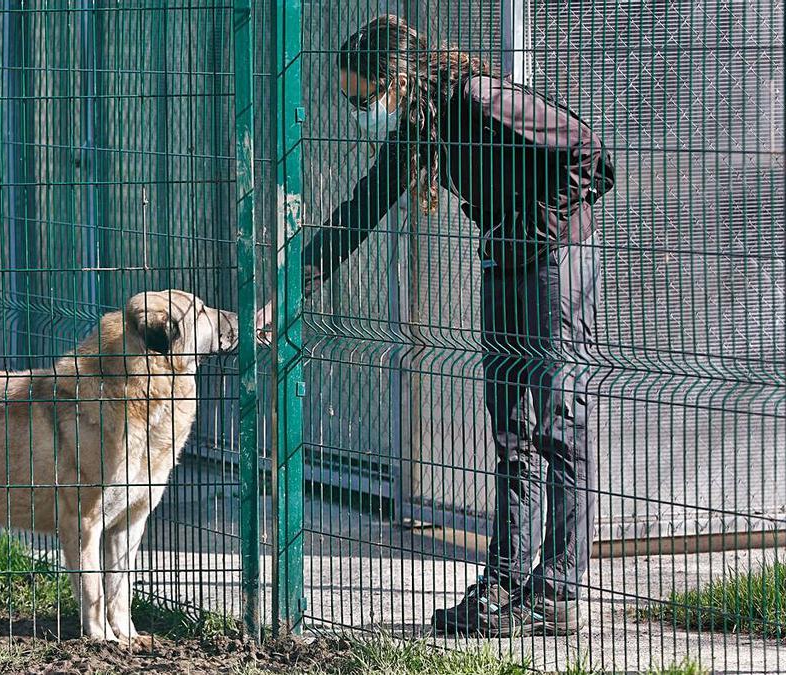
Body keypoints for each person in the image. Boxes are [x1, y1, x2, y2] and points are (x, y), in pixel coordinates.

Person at [254, 14, 615, 637]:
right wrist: (288, 293)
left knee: (560, 425)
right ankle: (505, 581)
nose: (358, 111)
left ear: (397, 80)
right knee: (510, 432)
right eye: (348, 101)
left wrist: (538, 226)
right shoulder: (424, 127)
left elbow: (592, 159)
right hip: (502, 259)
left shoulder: (478, 100)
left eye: (362, 98)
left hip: (554, 262)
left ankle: (557, 592)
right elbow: (362, 208)